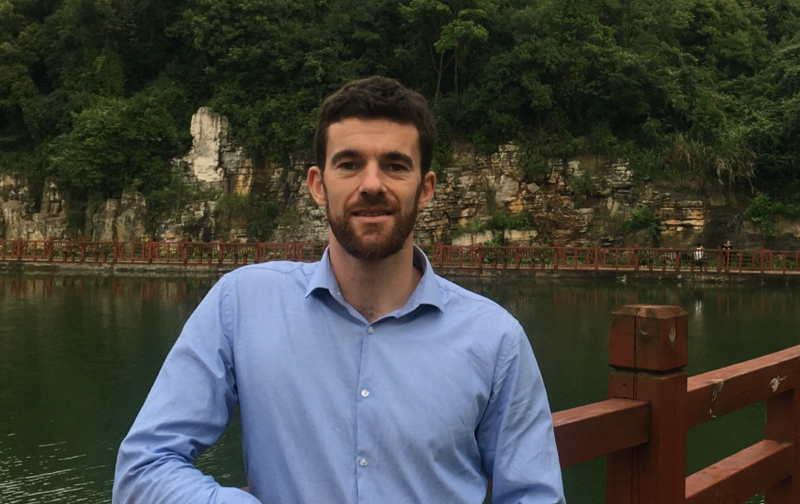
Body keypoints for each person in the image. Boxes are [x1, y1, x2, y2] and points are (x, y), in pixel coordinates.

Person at [112, 76, 565, 504]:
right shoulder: (243, 305)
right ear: (317, 184)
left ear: (425, 189)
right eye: (349, 164)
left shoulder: (495, 340)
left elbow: (535, 494)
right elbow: (143, 469)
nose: (371, 184)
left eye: (395, 165)